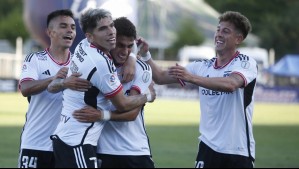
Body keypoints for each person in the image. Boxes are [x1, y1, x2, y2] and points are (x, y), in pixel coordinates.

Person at [138, 11, 257, 168]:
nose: (219, 34)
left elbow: (231, 84)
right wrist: (146, 54)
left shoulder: (245, 63)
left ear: (238, 39)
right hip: (208, 148)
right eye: (218, 29)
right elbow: (160, 77)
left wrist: (192, 78)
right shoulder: (202, 66)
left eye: (226, 31)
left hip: (237, 151)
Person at [50, 8, 155, 168]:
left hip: (72, 138)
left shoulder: (84, 45)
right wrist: (148, 96)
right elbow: (123, 105)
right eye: (103, 29)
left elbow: (126, 43)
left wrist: (132, 58)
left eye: (111, 26)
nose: (110, 32)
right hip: (77, 140)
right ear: (90, 36)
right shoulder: (100, 63)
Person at [17, 9, 92, 168]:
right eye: (63, 26)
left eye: (72, 27)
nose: (70, 31)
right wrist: (54, 78)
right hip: (36, 143)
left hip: (67, 146)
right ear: (50, 32)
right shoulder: (36, 59)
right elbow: (25, 88)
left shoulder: (80, 65)